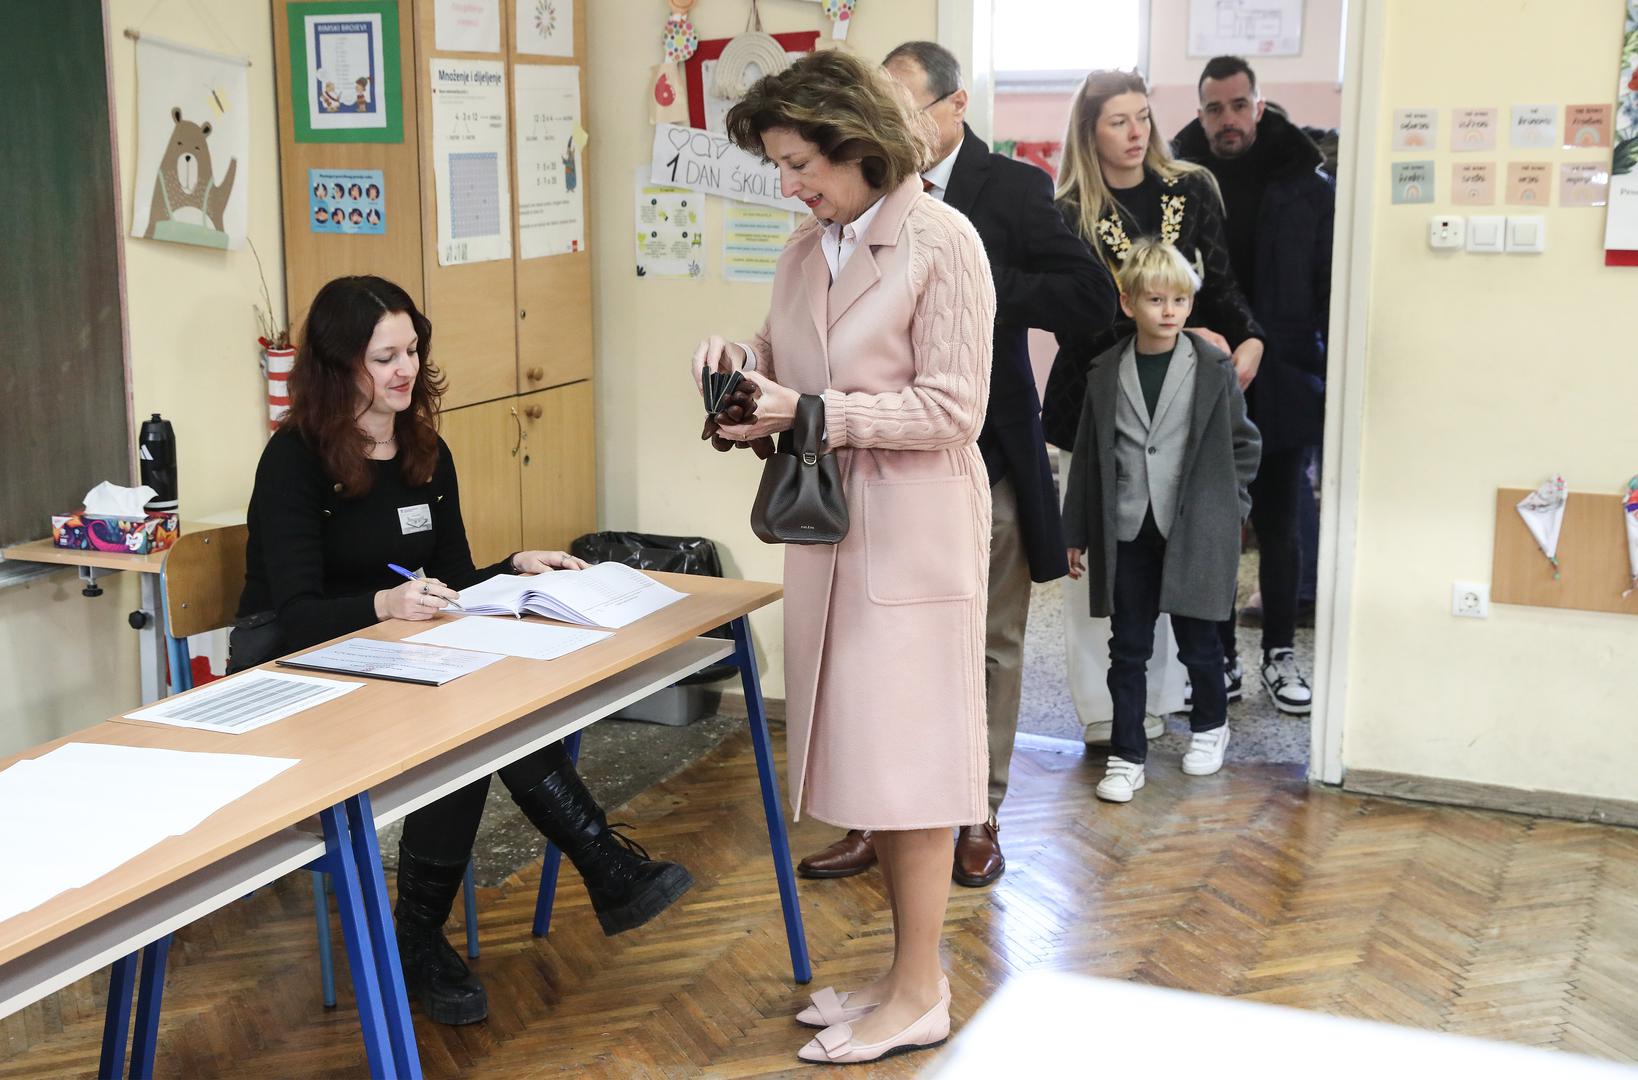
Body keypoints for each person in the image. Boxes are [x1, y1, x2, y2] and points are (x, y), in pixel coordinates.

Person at [232, 275, 693, 1027]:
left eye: (412, 349)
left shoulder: (422, 447)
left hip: (402, 658)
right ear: (338, 364)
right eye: (385, 356)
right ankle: (591, 870)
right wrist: (381, 604)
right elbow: (293, 615)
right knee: (467, 724)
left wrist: (512, 568)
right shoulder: (295, 460)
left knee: (481, 715)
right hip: (302, 670)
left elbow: (450, 580)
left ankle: (422, 932)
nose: (405, 369)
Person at [695, 49, 995, 1065]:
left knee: (912, 770)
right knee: (869, 762)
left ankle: (921, 993)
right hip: (833, 530)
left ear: (853, 141)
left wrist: (811, 410)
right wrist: (740, 383)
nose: (788, 186)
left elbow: (954, 409)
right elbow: (782, 368)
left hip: (913, 533)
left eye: (796, 163)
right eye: (779, 167)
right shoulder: (805, 248)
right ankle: (904, 974)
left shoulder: (942, 243)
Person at [794, 41, 1112, 890]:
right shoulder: (838, 216)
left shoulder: (1005, 192)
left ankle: (979, 809)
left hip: (984, 451)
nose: (890, 122)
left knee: (987, 645)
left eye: (906, 104)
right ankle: (876, 816)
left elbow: (1087, 296)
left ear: (954, 104)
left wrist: (963, 286)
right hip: (870, 467)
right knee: (877, 651)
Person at [1040, 69, 1265, 747]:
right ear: (1089, 130)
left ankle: (1162, 702)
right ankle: (1107, 712)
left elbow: (1218, 282)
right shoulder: (1069, 210)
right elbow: (1072, 320)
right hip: (1095, 404)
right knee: (1103, 578)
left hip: (1183, 410)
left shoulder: (1191, 188)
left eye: (1143, 117)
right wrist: (1162, 334)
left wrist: (1248, 336)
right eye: (1118, 121)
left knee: (1173, 556)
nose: (1136, 133)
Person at [1062, 239, 1260, 801]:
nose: (1168, 311)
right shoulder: (1105, 372)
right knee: (1127, 647)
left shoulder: (1212, 368)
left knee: (1201, 641)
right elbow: (1090, 459)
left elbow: (1245, 445)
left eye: (1179, 300)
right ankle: (1126, 754)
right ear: (1128, 304)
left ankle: (1209, 728)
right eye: (1155, 300)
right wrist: (1073, 532)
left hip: (1196, 527)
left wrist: (1230, 509)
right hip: (1127, 532)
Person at [1172, 57, 1334, 715]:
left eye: (1239, 105)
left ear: (1259, 107)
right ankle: (1221, 664)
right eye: (1215, 108)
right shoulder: (1176, 185)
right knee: (1210, 529)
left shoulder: (1308, 187)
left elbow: (1327, 290)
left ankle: (1278, 654)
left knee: (1280, 521)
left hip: (1287, 377)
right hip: (1202, 378)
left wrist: (1313, 366)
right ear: (1201, 111)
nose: (1227, 120)